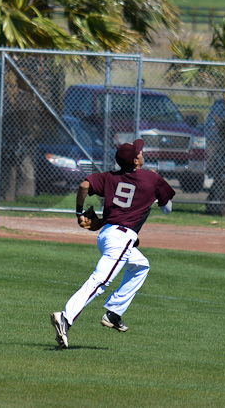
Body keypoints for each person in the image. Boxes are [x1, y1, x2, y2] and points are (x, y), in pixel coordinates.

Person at [51, 139, 175, 349]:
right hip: (122, 239)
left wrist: (79, 213)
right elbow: (167, 209)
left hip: (106, 235)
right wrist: (156, 192)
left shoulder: (109, 177)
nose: (142, 153)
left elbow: (84, 185)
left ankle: (114, 312)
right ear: (136, 160)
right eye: (140, 152)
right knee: (100, 281)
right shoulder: (151, 178)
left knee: (141, 266)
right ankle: (65, 317)